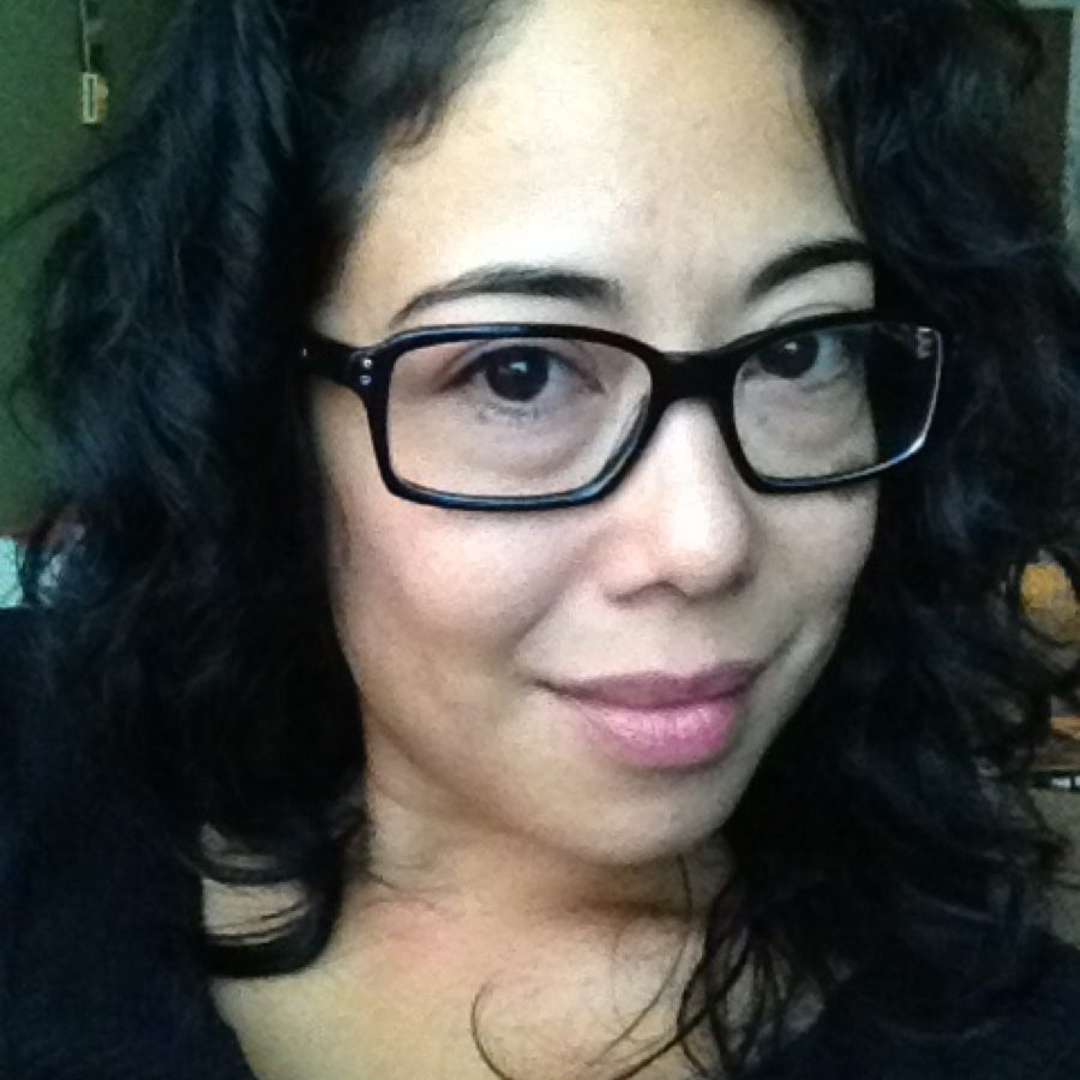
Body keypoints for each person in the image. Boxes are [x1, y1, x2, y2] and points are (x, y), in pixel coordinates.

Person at [2, 0, 1079, 1077]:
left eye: (801, 351)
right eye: (519, 373)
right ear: (264, 416)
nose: (705, 543)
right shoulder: (36, 769)